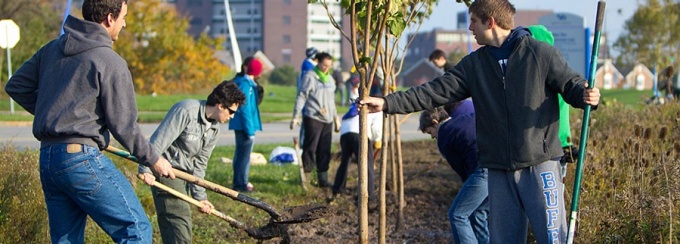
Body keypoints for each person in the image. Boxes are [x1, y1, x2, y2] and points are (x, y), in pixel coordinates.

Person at [360, 0, 601, 243]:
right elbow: (433, 92)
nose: (470, 28)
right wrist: (387, 103)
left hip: (540, 164)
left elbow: (571, 85)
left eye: (473, 21)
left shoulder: (540, 53)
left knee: (553, 238)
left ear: (491, 22)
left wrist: (585, 94)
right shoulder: (474, 65)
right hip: (498, 169)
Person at [4, 0, 175, 242]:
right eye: (123, 17)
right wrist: (155, 160)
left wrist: (55, 114)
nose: (125, 24)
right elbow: (124, 126)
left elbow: (16, 86)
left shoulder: (51, 49)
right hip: (80, 159)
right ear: (109, 18)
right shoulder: (110, 61)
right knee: (135, 228)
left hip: (49, 160)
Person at [138, 81, 245, 244]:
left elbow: (200, 164)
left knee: (178, 224)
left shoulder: (214, 129)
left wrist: (200, 196)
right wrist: (145, 168)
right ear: (220, 105)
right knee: (178, 219)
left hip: (184, 174)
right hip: (166, 169)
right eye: (231, 111)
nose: (232, 116)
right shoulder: (186, 111)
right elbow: (158, 141)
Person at [419, 102, 488, 243]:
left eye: (430, 132)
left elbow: (461, 169)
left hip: (482, 172)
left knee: (457, 215)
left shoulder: (444, 135)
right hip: (499, 168)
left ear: (435, 122)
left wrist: (468, 186)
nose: (433, 137)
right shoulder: (466, 118)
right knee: (477, 211)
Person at [527, 25, 577, 178]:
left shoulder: (547, 74)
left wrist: (564, 145)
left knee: (550, 198)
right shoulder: (554, 69)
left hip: (551, 148)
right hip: (555, 145)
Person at [290, 52, 338, 187]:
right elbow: (302, 96)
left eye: (329, 66)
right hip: (313, 117)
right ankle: (306, 178)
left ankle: (323, 179)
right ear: (318, 62)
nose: (326, 68)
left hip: (327, 119)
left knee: (324, 149)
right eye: (324, 65)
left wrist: (336, 118)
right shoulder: (310, 76)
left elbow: (331, 100)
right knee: (310, 148)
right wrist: (296, 116)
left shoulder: (330, 79)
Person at [332, 103, 382, 201]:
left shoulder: (358, 104)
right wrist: (377, 140)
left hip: (345, 133)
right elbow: (376, 128)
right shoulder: (377, 107)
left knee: (345, 161)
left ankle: (338, 188)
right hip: (360, 134)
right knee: (368, 165)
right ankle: (369, 195)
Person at [229, 59, 264, 192]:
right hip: (244, 126)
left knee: (242, 155)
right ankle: (240, 183)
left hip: (244, 125)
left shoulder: (248, 84)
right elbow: (245, 109)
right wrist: (250, 131)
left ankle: (241, 181)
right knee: (243, 156)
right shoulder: (245, 85)